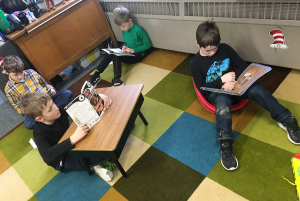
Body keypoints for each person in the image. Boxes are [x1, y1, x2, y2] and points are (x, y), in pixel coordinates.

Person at [189, 21, 300, 171]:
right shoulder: (194, 63)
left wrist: (233, 81)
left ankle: (286, 119)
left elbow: (241, 66)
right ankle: (225, 143)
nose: (212, 53)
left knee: (257, 89)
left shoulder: (225, 49)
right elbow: (202, 88)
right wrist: (222, 80)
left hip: (235, 87)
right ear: (198, 44)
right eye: (208, 51)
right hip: (216, 94)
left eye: (214, 49)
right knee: (223, 99)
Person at [19, 91, 114, 181]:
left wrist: (97, 96)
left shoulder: (58, 111)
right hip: (62, 158)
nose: (55, 107)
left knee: (98, 137)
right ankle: (96, 166)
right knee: (93, 156)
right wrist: (73, 139)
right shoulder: (39, 133)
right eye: (50, 109)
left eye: (53, 103)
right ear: (40, 119)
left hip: (71, 141)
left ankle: (96, 162)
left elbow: (76, 100)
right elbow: (47, 157)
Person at [3, 55, 73, 130]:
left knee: (67, 93)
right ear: (6, 72)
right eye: (16, 75)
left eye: (21, 72)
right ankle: (55, 114)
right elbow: (18, 107)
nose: (20, 76)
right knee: (28, 124)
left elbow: (45, 84)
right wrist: (31, 110)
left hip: (49, 101)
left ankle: (49, 117)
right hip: (36, 111)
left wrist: (51, 89)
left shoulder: (31, 72)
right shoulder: (8, 89)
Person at [91, 6, 151, 87]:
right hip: (128, 52)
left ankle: (116, 79)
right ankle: (95, 75)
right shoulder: (124, 30)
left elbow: (148, 45)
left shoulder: (138, 30)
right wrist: (124, 46)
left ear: (130, 21)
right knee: (109, 52)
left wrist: (133, 50)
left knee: (115, 55)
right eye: (120, 27)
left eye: (123, 26)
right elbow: (126, 42)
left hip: (137, 55)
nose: (122, 29)